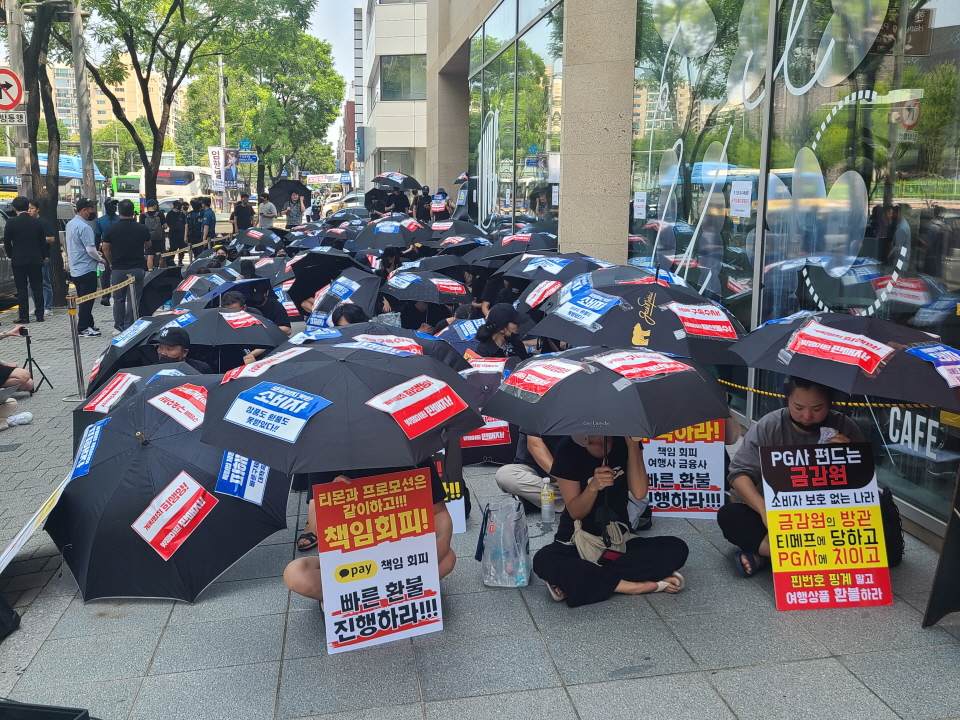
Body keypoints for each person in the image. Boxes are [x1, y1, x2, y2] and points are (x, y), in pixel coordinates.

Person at [716, 377, 864, 577]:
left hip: (828, 518)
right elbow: (739, 474)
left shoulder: (845, 427)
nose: (807, 416)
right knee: (730, 516)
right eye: (799, 407)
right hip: (776, 516)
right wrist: (763, 509)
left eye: (818, 408)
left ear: (830, 404)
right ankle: (818, 556)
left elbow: (862, 488)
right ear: (787, 400)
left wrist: (848, 457)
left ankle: (771, 556)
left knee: (878, 527)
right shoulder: (769, 426)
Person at [532, 435, 688, 607]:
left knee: (677, 548)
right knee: (544, 560)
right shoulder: (568, 448)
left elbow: (639, 492)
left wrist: (633, 446)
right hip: (577, 541)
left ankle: (582, 580)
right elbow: (575, 512)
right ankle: (630, 586)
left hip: (618, 540)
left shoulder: (623, 442)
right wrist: (593, 487)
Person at [284, 463, 457, 601]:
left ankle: (364, 595)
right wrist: (331, 498)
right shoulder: (324, 458)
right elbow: (316, 528)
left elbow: (439, 512)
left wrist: (439, 546)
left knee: (447, 559)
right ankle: (375, 595)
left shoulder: (411, 454)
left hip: (400, 555)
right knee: (296, 573)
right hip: (352, 561)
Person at [101, 199, 151, 334]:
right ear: (132, 212)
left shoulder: (112, 228)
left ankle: (119, 326)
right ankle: (131, 325)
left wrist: (110, 262)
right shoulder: (141, 228)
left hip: (118, 268)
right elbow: (148, 244)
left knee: (118, 299)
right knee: (134, 298)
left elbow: (105, 248)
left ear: (119, 211)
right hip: (137, 267)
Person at [3, 196, 48, 324]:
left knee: (21, 288)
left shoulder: (11, 222)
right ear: (28, 207)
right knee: (37, 286)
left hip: (19, 260)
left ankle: (24, 316)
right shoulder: (37, 222)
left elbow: (7, 242)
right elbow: (42, 242)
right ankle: (40, 314)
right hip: (35, 259)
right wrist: (42, 255)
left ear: (14, 208)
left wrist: (11, 254)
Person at [496, 434, 566, 511]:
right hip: (537, 471)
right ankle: (570, 502)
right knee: (505, 475)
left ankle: (535, 500)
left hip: (572, 473)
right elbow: (534, 444)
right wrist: (561, 477)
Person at [65, 199, 103, 337]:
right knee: (87, 300)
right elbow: (90, 250)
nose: (93, 211)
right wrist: (101, 259)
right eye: (91, 208)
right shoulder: (84, 227)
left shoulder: (70, 224)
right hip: (86, 268)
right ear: (84, 210)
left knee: (83, 297)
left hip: (75, 268)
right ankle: (83, 327)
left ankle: (89, 323)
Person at [26, 199, 55, 315]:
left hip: (44, 257)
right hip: (30, 257)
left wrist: (37, 239)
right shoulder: (27, 223)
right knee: (31, 283)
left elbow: (51, 238)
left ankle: (47, 307)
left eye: (32, 208)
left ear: (37, 209)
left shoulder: (43, 222)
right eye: (28, 208)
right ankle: (38, 306)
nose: (29, 211)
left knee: (44, 282)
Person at [94, 199, 120, 306]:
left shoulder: (119, 219)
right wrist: (96, 251)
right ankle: (106, 295)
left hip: (118, 249)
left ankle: (118, 293)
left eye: (115, 205)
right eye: (111, 205)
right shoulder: (100, 221)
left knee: (118, 272)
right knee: (106, 273)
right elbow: (97, 236)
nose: (114, 207)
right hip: (105, 249)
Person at [139, 199, 167, 270]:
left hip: (148, 239)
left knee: (150, 255)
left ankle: (150, 271)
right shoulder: (160, 214)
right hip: (159, 238)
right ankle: (160, 270)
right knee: (159, 254)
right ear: (154, 206)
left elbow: (141, 228)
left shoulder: (143, 216)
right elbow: (165, 226)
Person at [165, 200, 188, 266]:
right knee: (173, 248)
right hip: (172, 234)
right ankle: (171, 260)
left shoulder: (182, 214)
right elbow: (167, 223)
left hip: (181, 234)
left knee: (182, 248)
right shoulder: (170, 214)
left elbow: (185, 224)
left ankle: (180, 261)